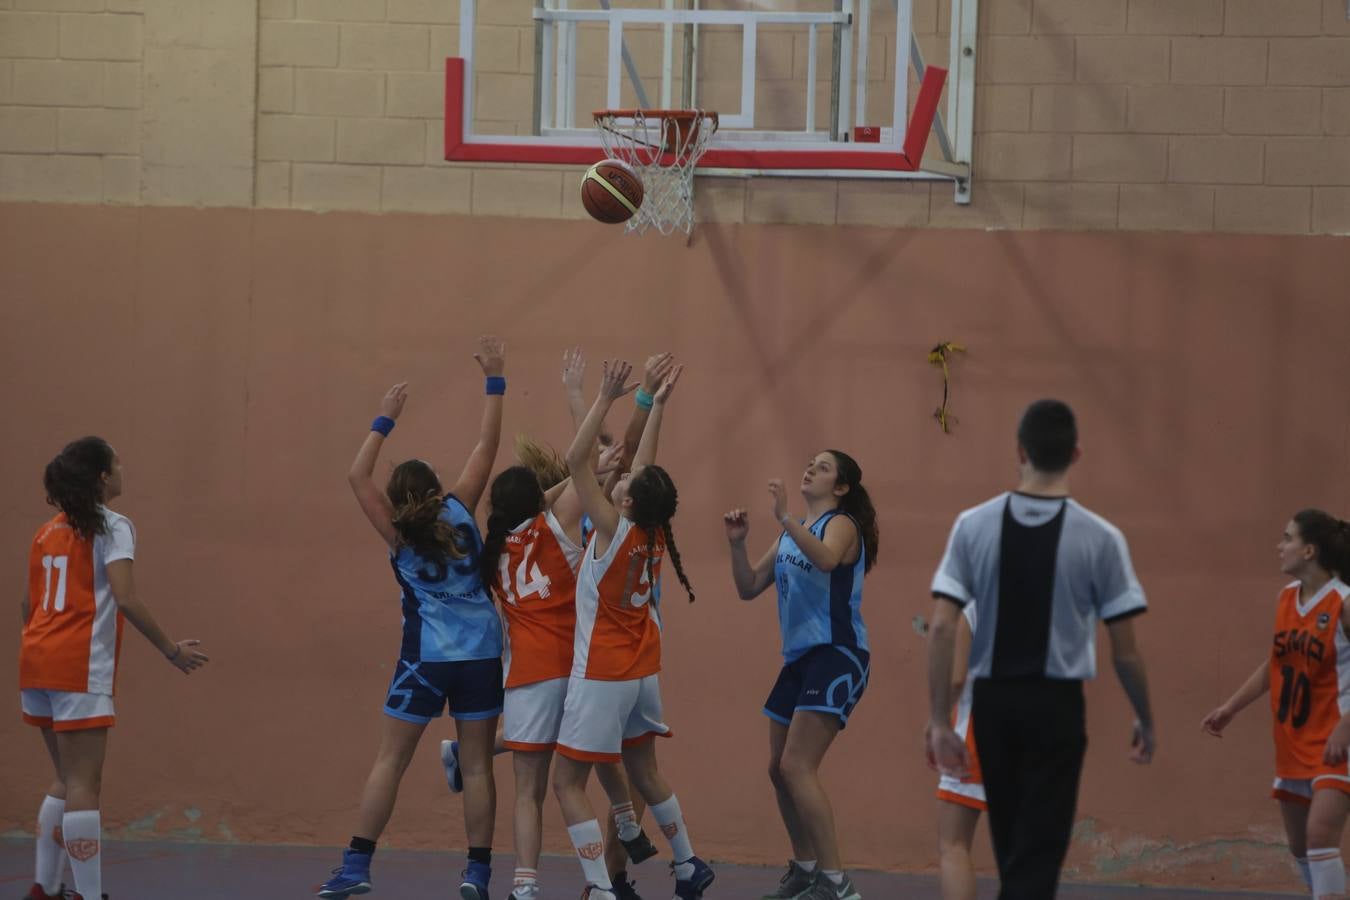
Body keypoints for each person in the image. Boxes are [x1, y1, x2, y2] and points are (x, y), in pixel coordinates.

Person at [925, 398, 1156, 900]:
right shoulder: (1101, 537)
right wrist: (1145, 716)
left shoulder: (972, 524)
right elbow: (1126, 653)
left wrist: (940, 720)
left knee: (1013, 853)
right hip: (1055, 708)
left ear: (1019, 450)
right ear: (1076, 454)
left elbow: (942, 629)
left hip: (992, 705)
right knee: (1037, 856)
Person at [317, 336, 506, 900]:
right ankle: (477, 872)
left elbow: (356, 476)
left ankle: (356, 866)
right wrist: (495, 378)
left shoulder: (397, 533)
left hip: (426, 659)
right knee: (476, 767)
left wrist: (385, 418)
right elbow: (488, 445)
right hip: (481, 655)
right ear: (436, 488)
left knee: (391, 760)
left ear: (400, 499)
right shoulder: (462, 508)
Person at [551, 359, 713, 900]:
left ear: (626, 499)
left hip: (603, 670)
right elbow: (645, 465)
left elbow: (576, 460)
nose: (621, 482)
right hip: (643, 670)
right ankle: (688, 863)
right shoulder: (653, 530)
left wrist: (603, 396)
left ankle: (598, 888)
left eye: (625, 485)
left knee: (567, 781)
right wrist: (655, 403)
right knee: (644, 770)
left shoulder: (612, 527)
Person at [20, 436, 209, 900]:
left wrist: (45, 645)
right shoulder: (113, 526)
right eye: (118, 462)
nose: (124, 468)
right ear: (103, 476)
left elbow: (29, 604)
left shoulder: (48, 531)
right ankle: (87, 894)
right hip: (77, 666)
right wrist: (170, 650)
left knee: (65, 778)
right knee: (86, 783)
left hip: (36, 662)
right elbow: (126, 597)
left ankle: (45, 888)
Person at [723, 450, 878, 900]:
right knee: (778, 768)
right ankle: (806, 870)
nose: (811, 468)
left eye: (824, 466)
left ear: (842, 487)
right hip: (799, 660)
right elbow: (749, 586)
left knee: (797, 765)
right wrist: (737, 543)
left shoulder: (841, 524)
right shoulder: (790, 535)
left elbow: (829, 560)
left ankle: (837, 884)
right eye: (810, 462)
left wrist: (786, 516)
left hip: (838, 653)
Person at [1202, 510, 1350, 898]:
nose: (1279, 546)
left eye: (1287, 538)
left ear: (1309, 550)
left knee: (1321, 838)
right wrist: (1231, 707)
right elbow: (1277, 663)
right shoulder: (1287, 599)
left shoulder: (1344, 604)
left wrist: (1346, 725)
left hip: (1336, 739)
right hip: (1292, 738)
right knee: (1301, 846)